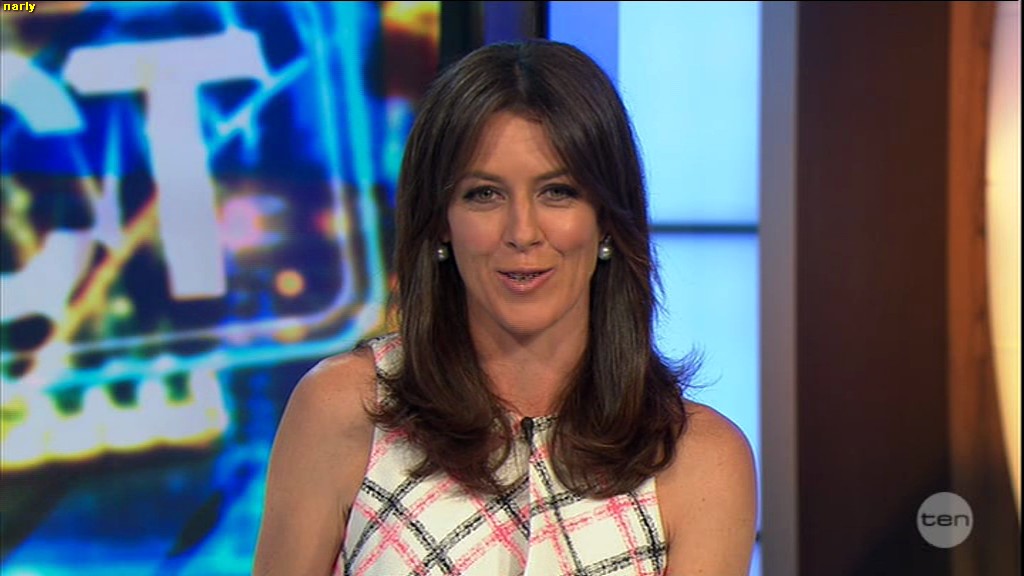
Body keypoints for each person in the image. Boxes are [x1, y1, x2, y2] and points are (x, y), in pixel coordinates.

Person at [253, 39, 757, 576]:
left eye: (558, 191)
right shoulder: (345, 407)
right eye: (484, 194)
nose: (522, 232)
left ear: (607, 219)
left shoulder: (699, 459)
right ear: (441, 222)